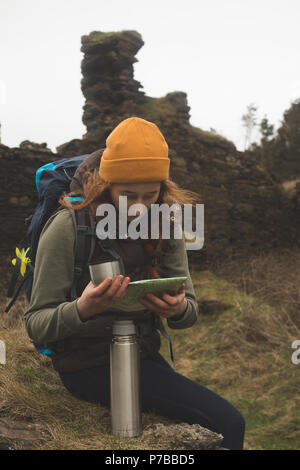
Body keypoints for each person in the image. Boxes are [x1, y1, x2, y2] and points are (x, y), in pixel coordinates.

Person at [24, 117, 245, 449]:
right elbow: (37, 325)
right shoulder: (68, 228)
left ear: (162, 188)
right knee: (229, 423)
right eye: (127, 194)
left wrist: (179, 308)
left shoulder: (167, 223)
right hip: (86, 366)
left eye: (150, 194)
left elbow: (191, 311)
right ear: (107, 185)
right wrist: (83, 309)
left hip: (144, 356)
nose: (140, 208)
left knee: (229, 422)